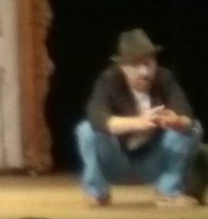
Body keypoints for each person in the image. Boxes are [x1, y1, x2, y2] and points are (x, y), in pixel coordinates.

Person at [76, 28, 203, 207]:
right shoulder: (109, 80)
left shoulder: (165, 78)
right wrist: (137, 123)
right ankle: (97, 192)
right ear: (123, 67)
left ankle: (168, 192)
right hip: (116, 162)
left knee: (193, 127)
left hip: (153, 163)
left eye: (149, 63)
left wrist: (176, 121)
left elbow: (186, 115)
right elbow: (97, 117)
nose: (144, 72)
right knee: (86, 130)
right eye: (136, 65)